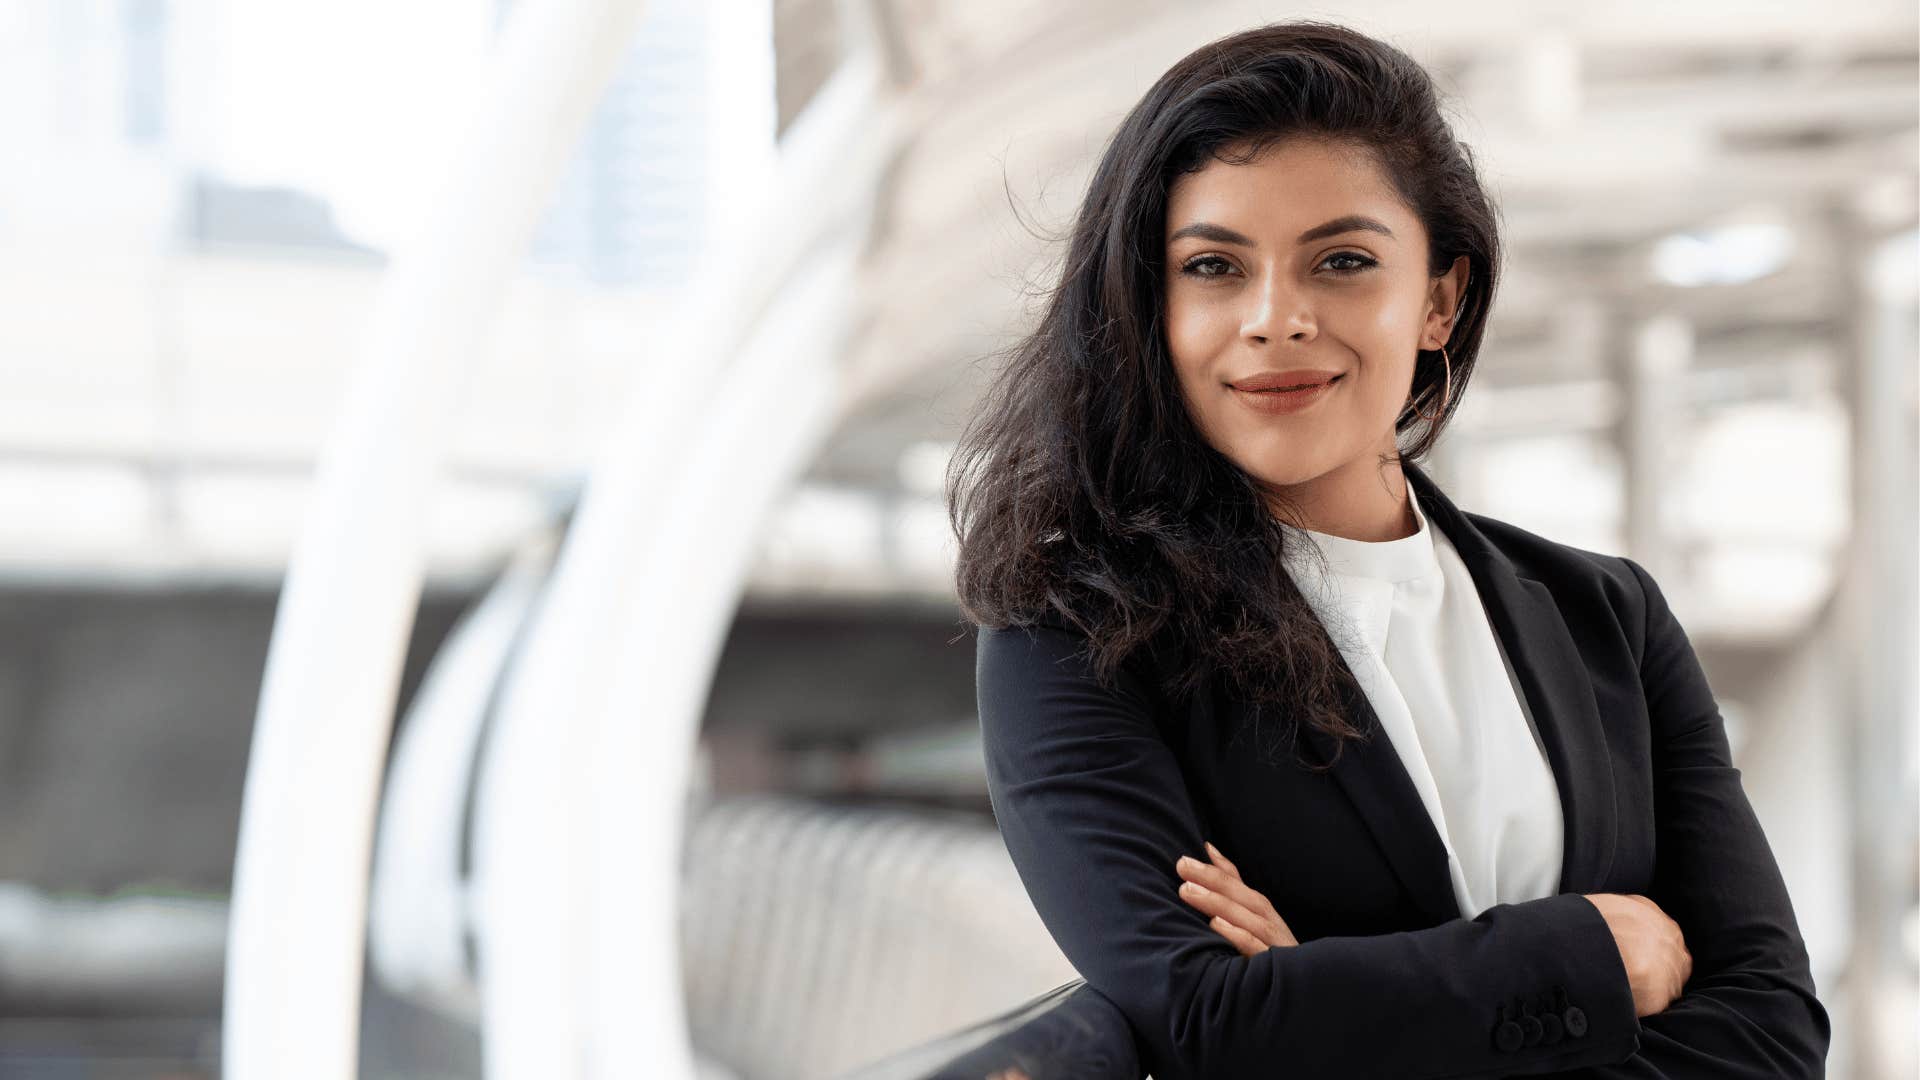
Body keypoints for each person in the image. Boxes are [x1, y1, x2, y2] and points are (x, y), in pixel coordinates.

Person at [944, 19, 1829, 1080]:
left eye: (1344, 262)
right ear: (1154, 305)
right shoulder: (1077, 632)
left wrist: (1333, 997)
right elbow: (1207, 1021)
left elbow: (1774, 1034)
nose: (1276, 320)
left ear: (1439, 301)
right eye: (1215, 267)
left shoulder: (1609, 618)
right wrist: (1584, 955)